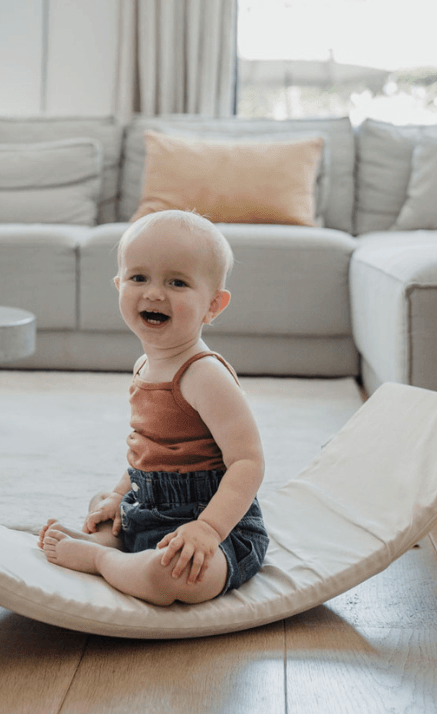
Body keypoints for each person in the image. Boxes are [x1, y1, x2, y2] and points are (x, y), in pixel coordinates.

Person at [39, 209, 268, 606]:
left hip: (216, 526)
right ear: (118, 285)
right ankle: (118, 537)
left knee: (174, 577)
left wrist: (208, 530)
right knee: (103, 504)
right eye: (138, 277)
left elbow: (248, 462)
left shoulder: (205, 375)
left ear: (213, 306)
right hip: (148, 510)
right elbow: (146, 452)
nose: (154, 293)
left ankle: (102, 559)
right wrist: (117, 496)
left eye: (177, 282)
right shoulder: (145, 366)